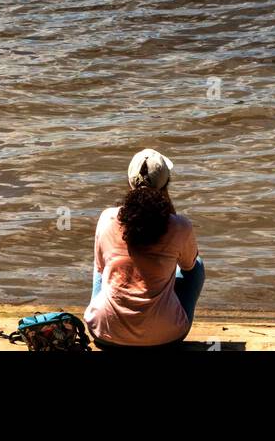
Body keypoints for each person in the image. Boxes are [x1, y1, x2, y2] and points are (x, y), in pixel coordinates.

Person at [84, 148, 205, 348]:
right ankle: (164, 316)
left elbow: (100, 267)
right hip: (166, 338)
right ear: (166, 184)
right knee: (194, 264)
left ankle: (103, 313)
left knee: (103, 268)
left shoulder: (107, 218)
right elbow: (189, 268)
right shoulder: (180, 225)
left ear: (130, 182)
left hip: (106, 334)